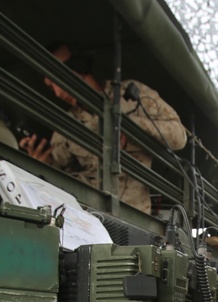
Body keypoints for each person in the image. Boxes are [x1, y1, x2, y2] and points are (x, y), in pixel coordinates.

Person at [20, 44, 187, 214]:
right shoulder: (67, 123)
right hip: (86, 215)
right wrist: (45, 164)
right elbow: (62, 170)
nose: (57, 93)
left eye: (57, 80)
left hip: (130, 216)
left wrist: (129, 128)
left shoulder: (128, 95)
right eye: (51, 87)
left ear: (79, 66)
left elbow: (179, 136)